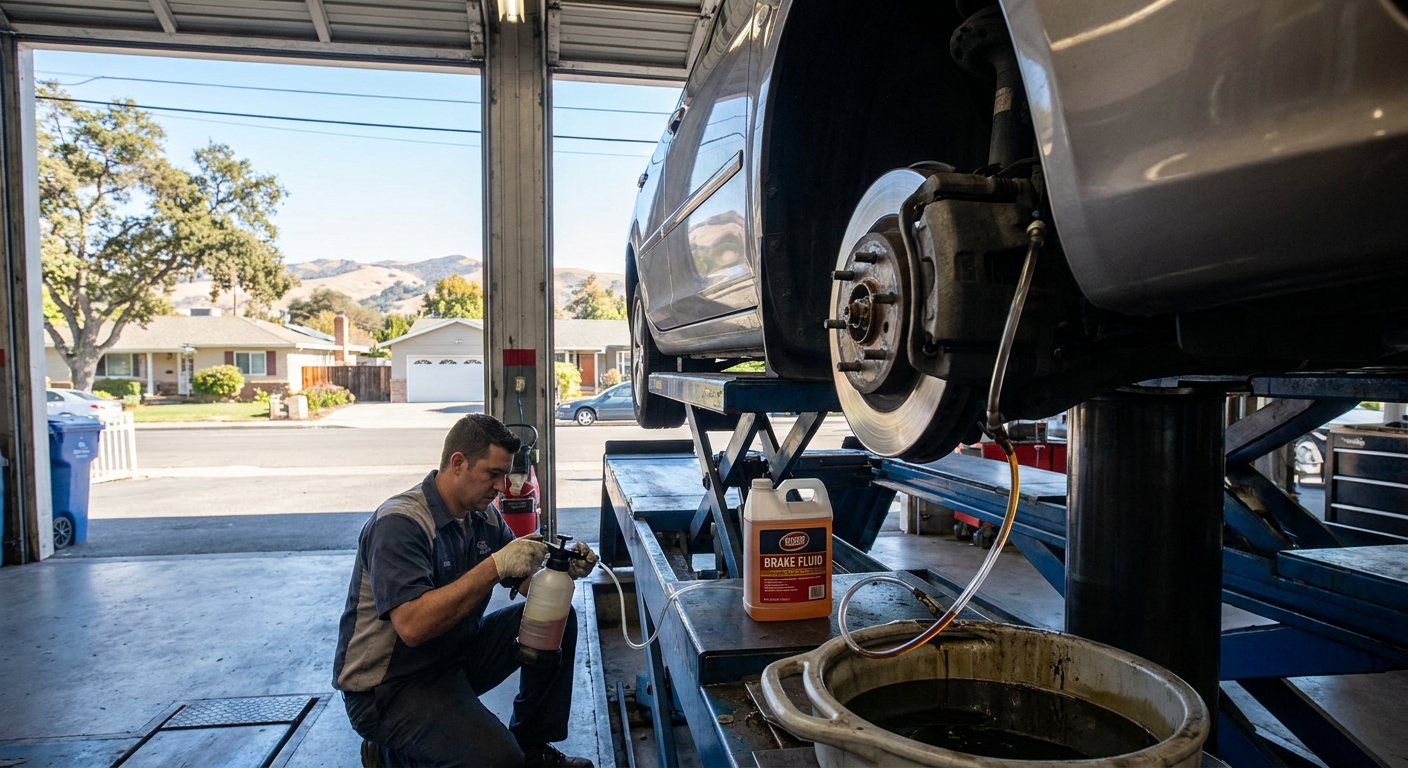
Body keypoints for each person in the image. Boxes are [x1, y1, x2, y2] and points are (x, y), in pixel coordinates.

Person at [334, 414, 598, 767]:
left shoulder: (482, 517)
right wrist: (494, 567)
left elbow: (524, 582)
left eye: (505, 475)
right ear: (457, 463)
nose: (503, 487)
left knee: (558, 618)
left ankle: (533, 745)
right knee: (498, 761)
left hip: (453, 658)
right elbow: (413, 627)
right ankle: (389, 753)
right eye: (493, 474)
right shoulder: (400, 524)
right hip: (391, 687)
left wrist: (560, 572)